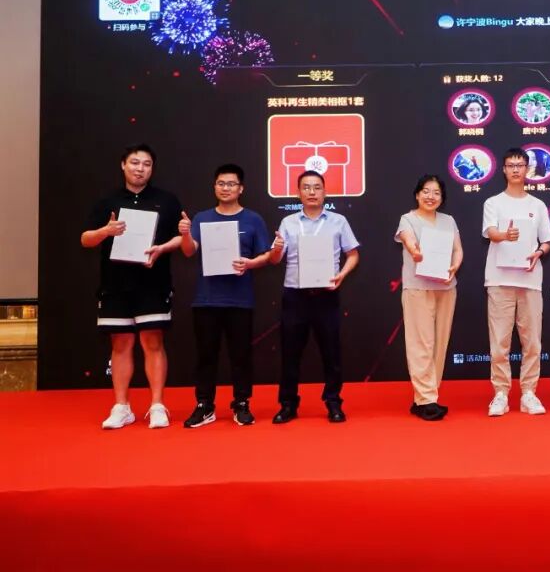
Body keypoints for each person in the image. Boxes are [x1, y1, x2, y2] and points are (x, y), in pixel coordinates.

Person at [81, 143, 183, 429]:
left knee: (153, 342)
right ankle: (121, 406)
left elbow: (181, 238)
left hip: (154, 283)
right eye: (135, 163)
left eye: (147, 164)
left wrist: (162, 249)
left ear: (152, 169)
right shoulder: (108, 200)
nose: (140, 169)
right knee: (121, 343)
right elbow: (86, 239)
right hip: (115, 285)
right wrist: (105, 231)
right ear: (123, 165)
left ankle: (157, 405)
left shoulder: (166, 200)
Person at [178, 164, 276, 428]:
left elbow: (267, 255)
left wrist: (250, 264)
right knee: (206, 355)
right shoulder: (202, 218)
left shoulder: (253, 219)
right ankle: (204, 405)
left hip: (240, 300)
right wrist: (185, 233)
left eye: (231, 184)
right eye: (221, 183)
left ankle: (241, 403)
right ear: (214, 187)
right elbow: (189, 251)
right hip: (206, 299)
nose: (225, 188)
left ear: (240, 188)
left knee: (241, 355)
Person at [268, 170, 360, 423]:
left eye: (317, 187)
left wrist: (342, 275)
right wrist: (276, 250)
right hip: (294, 296)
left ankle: (333, 402)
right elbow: (275, 259)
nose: (311, 192)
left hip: (326, 295)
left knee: (331, 353)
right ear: (298, 192)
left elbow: (353, 254)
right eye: (306, 187)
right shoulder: (288, 222)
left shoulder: (338, 221)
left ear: (324, 192)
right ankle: (288, 404)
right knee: (290, 353)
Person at [483, 147, 550, 416]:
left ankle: (528, 393)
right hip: (499, 280)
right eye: (511, 165)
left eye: (520, 165)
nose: (515, 169)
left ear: (527, 169)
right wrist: (505, 236)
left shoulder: (538, 205)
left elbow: (547, 241)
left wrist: (539, 252)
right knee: (499, 342)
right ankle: (500, 393)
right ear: (504, 169)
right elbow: (490, 232)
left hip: (530, 280)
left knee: (532, 342)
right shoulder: (493, 202)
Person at [395, 174, 463, 422]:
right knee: (420, 344)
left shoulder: (448, 220)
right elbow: (408, 240)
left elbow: (458, 250)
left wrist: (455, 266)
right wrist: (416, 253)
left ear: (442, 197)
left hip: (446, 287)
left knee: (439, 344)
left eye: (436, 193)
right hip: (418, 288)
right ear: (417, 194)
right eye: (426, 191)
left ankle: (425, 396)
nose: (431, 196)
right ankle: (426, 400)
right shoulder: (408, 219)